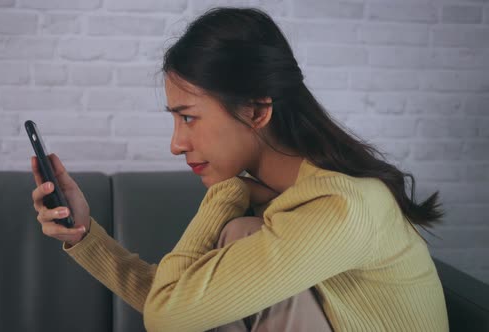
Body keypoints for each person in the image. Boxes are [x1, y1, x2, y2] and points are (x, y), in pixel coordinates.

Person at [30, 7, 449, 332]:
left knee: (238, 234)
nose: (176, 144)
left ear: (256, 110)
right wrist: (86, 236)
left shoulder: (342, 209)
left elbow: (167, 315)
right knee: (236, 242)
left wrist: (227, 193)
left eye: (188, 117)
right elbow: (186, 304)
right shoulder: (304, 199)